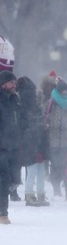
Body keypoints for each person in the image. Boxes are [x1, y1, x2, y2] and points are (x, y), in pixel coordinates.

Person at [17, 76, 50, 207]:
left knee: (34, 170)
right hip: (35, 141)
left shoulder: (22, 106)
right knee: (37, 170)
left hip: (32, 141)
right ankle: (35, 194)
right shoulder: (34, 106)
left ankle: (32, 194)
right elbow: (39, 124)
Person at [45, 79, 67, 200]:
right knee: (55, 165)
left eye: (66, 90)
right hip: (54, 140)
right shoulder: (51, 103)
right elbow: (46, 118)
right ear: (58, 92)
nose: (65, 92)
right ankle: (56, 188)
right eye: (63, 90)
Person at [0, 70, 20, 224]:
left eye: (15, 82)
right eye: (12, 82)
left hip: (12, 146)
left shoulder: (15, 100)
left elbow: (18, 123)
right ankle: (3, 213)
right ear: (3, 84)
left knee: (10, 181)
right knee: (2, 180)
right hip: (2, 146)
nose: (15, 85)